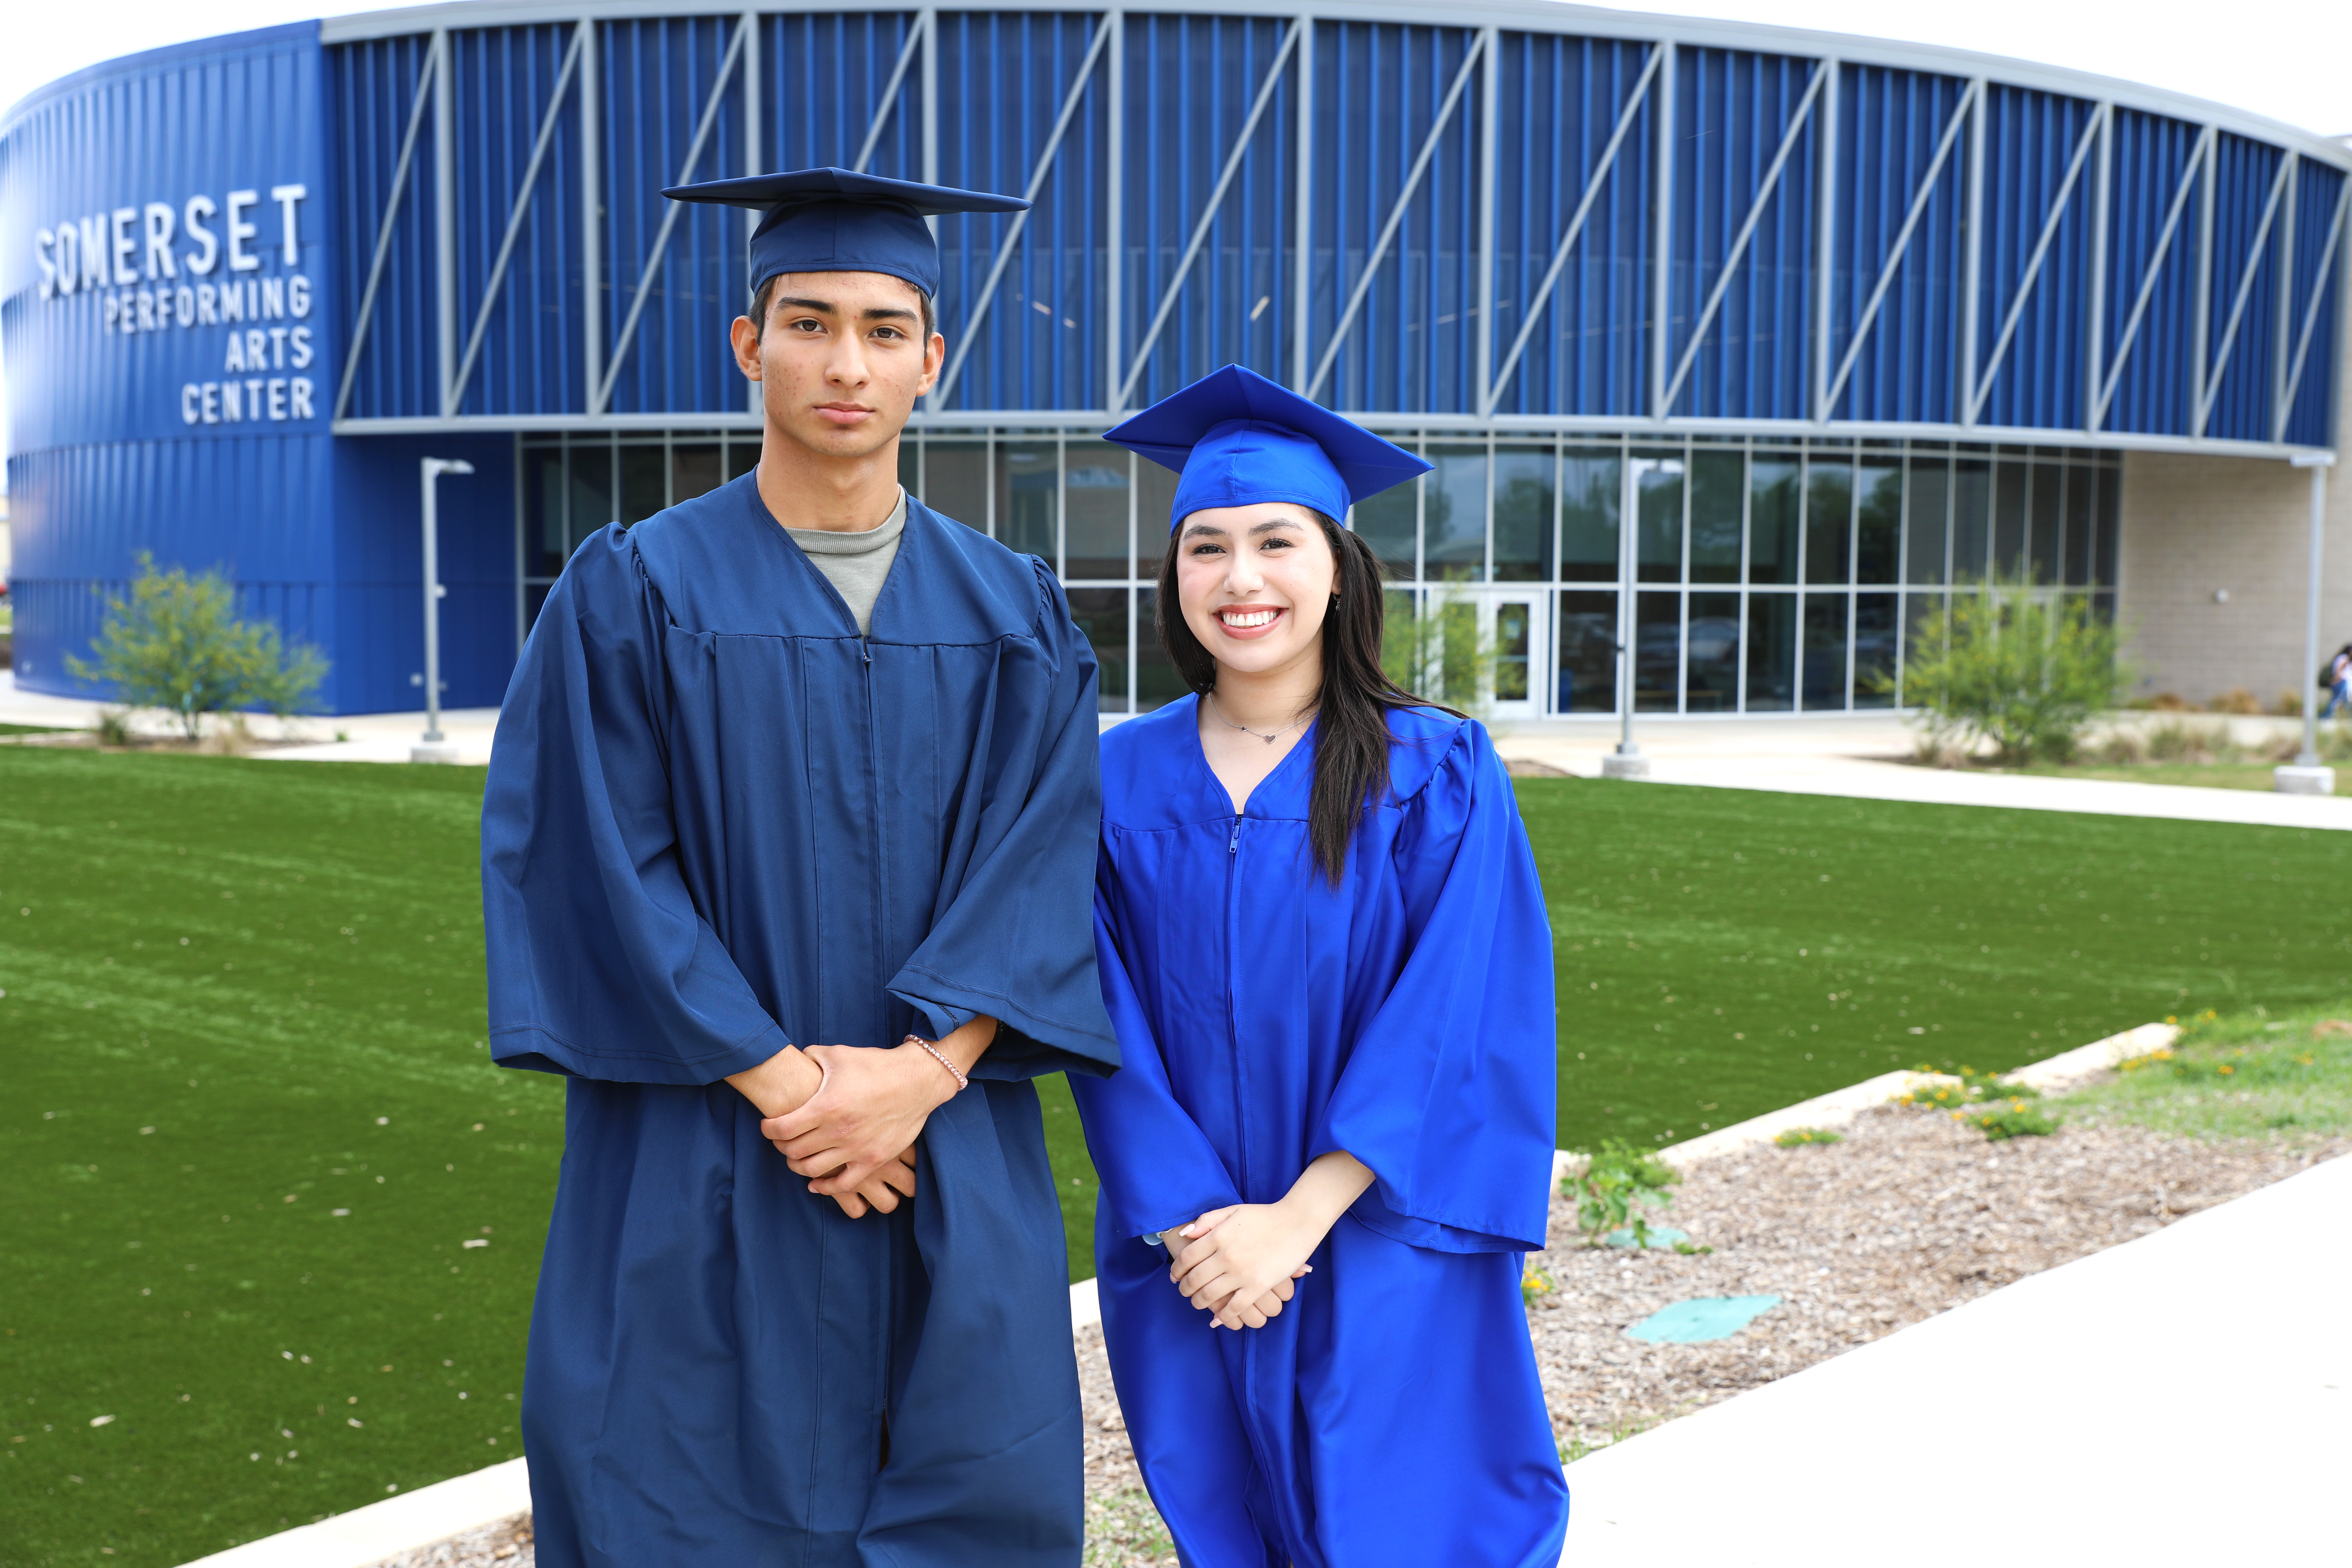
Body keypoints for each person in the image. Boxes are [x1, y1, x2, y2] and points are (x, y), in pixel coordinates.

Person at [479, 167, 1119, 1568]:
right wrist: (798, 1091)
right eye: (810, 319)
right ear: (745, 341)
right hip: (702, 1144)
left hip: (944, 1148)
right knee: (679, 1495)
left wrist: (920, 1076)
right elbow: (595, 862)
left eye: (887, 329)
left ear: (933, 359)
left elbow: (1048, 856)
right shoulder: (635, 589)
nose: (847, 361)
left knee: (971, 1495)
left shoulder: (1014, 611)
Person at [1069, 365, 1568, 1568]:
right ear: (1172, 575)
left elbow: (1453, 1012)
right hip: (1189, 1247)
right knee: (1225, 1517)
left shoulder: (1438, 769)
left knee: (1406, 1524)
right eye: (1206, 548)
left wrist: (1297, 1221)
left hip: (1379, 1222)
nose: (1241, 580)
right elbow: (1095, 1010)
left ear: (1338, 566)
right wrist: (1202, 1227)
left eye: (1276, 543)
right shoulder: (1112, 779)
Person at [2323, 642, 2351, 720]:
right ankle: (2327, 716)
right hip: (2341, 683)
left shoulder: (2343, 659)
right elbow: (2340, 672)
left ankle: (2346, 717)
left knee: (2344, 701)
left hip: (2343, 683)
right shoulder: (2344, 658)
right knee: (2336, 701)